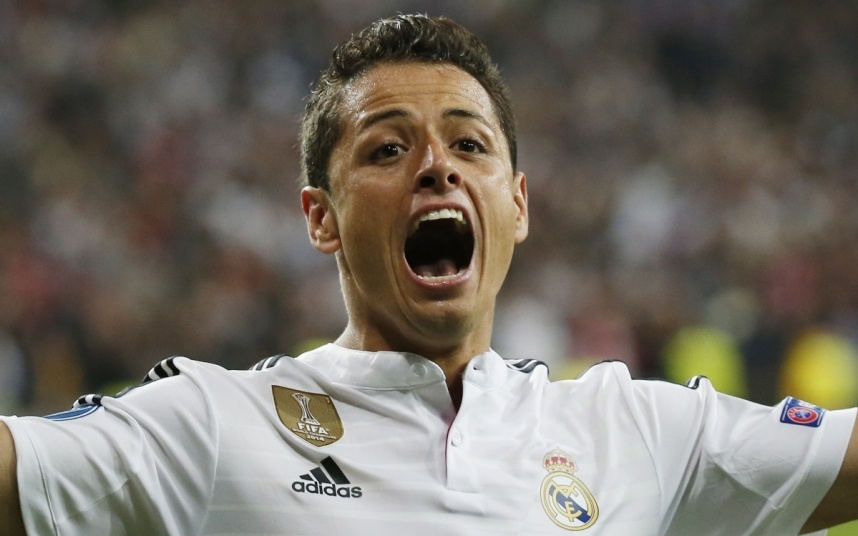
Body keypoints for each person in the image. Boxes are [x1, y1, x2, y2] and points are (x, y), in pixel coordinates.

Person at [1, 13, 857, 535]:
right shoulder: (210, 426)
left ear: (517, 204)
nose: (437, 166)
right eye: (386, 149)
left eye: (470, 143)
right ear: (321, 218)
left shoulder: (633, 432)